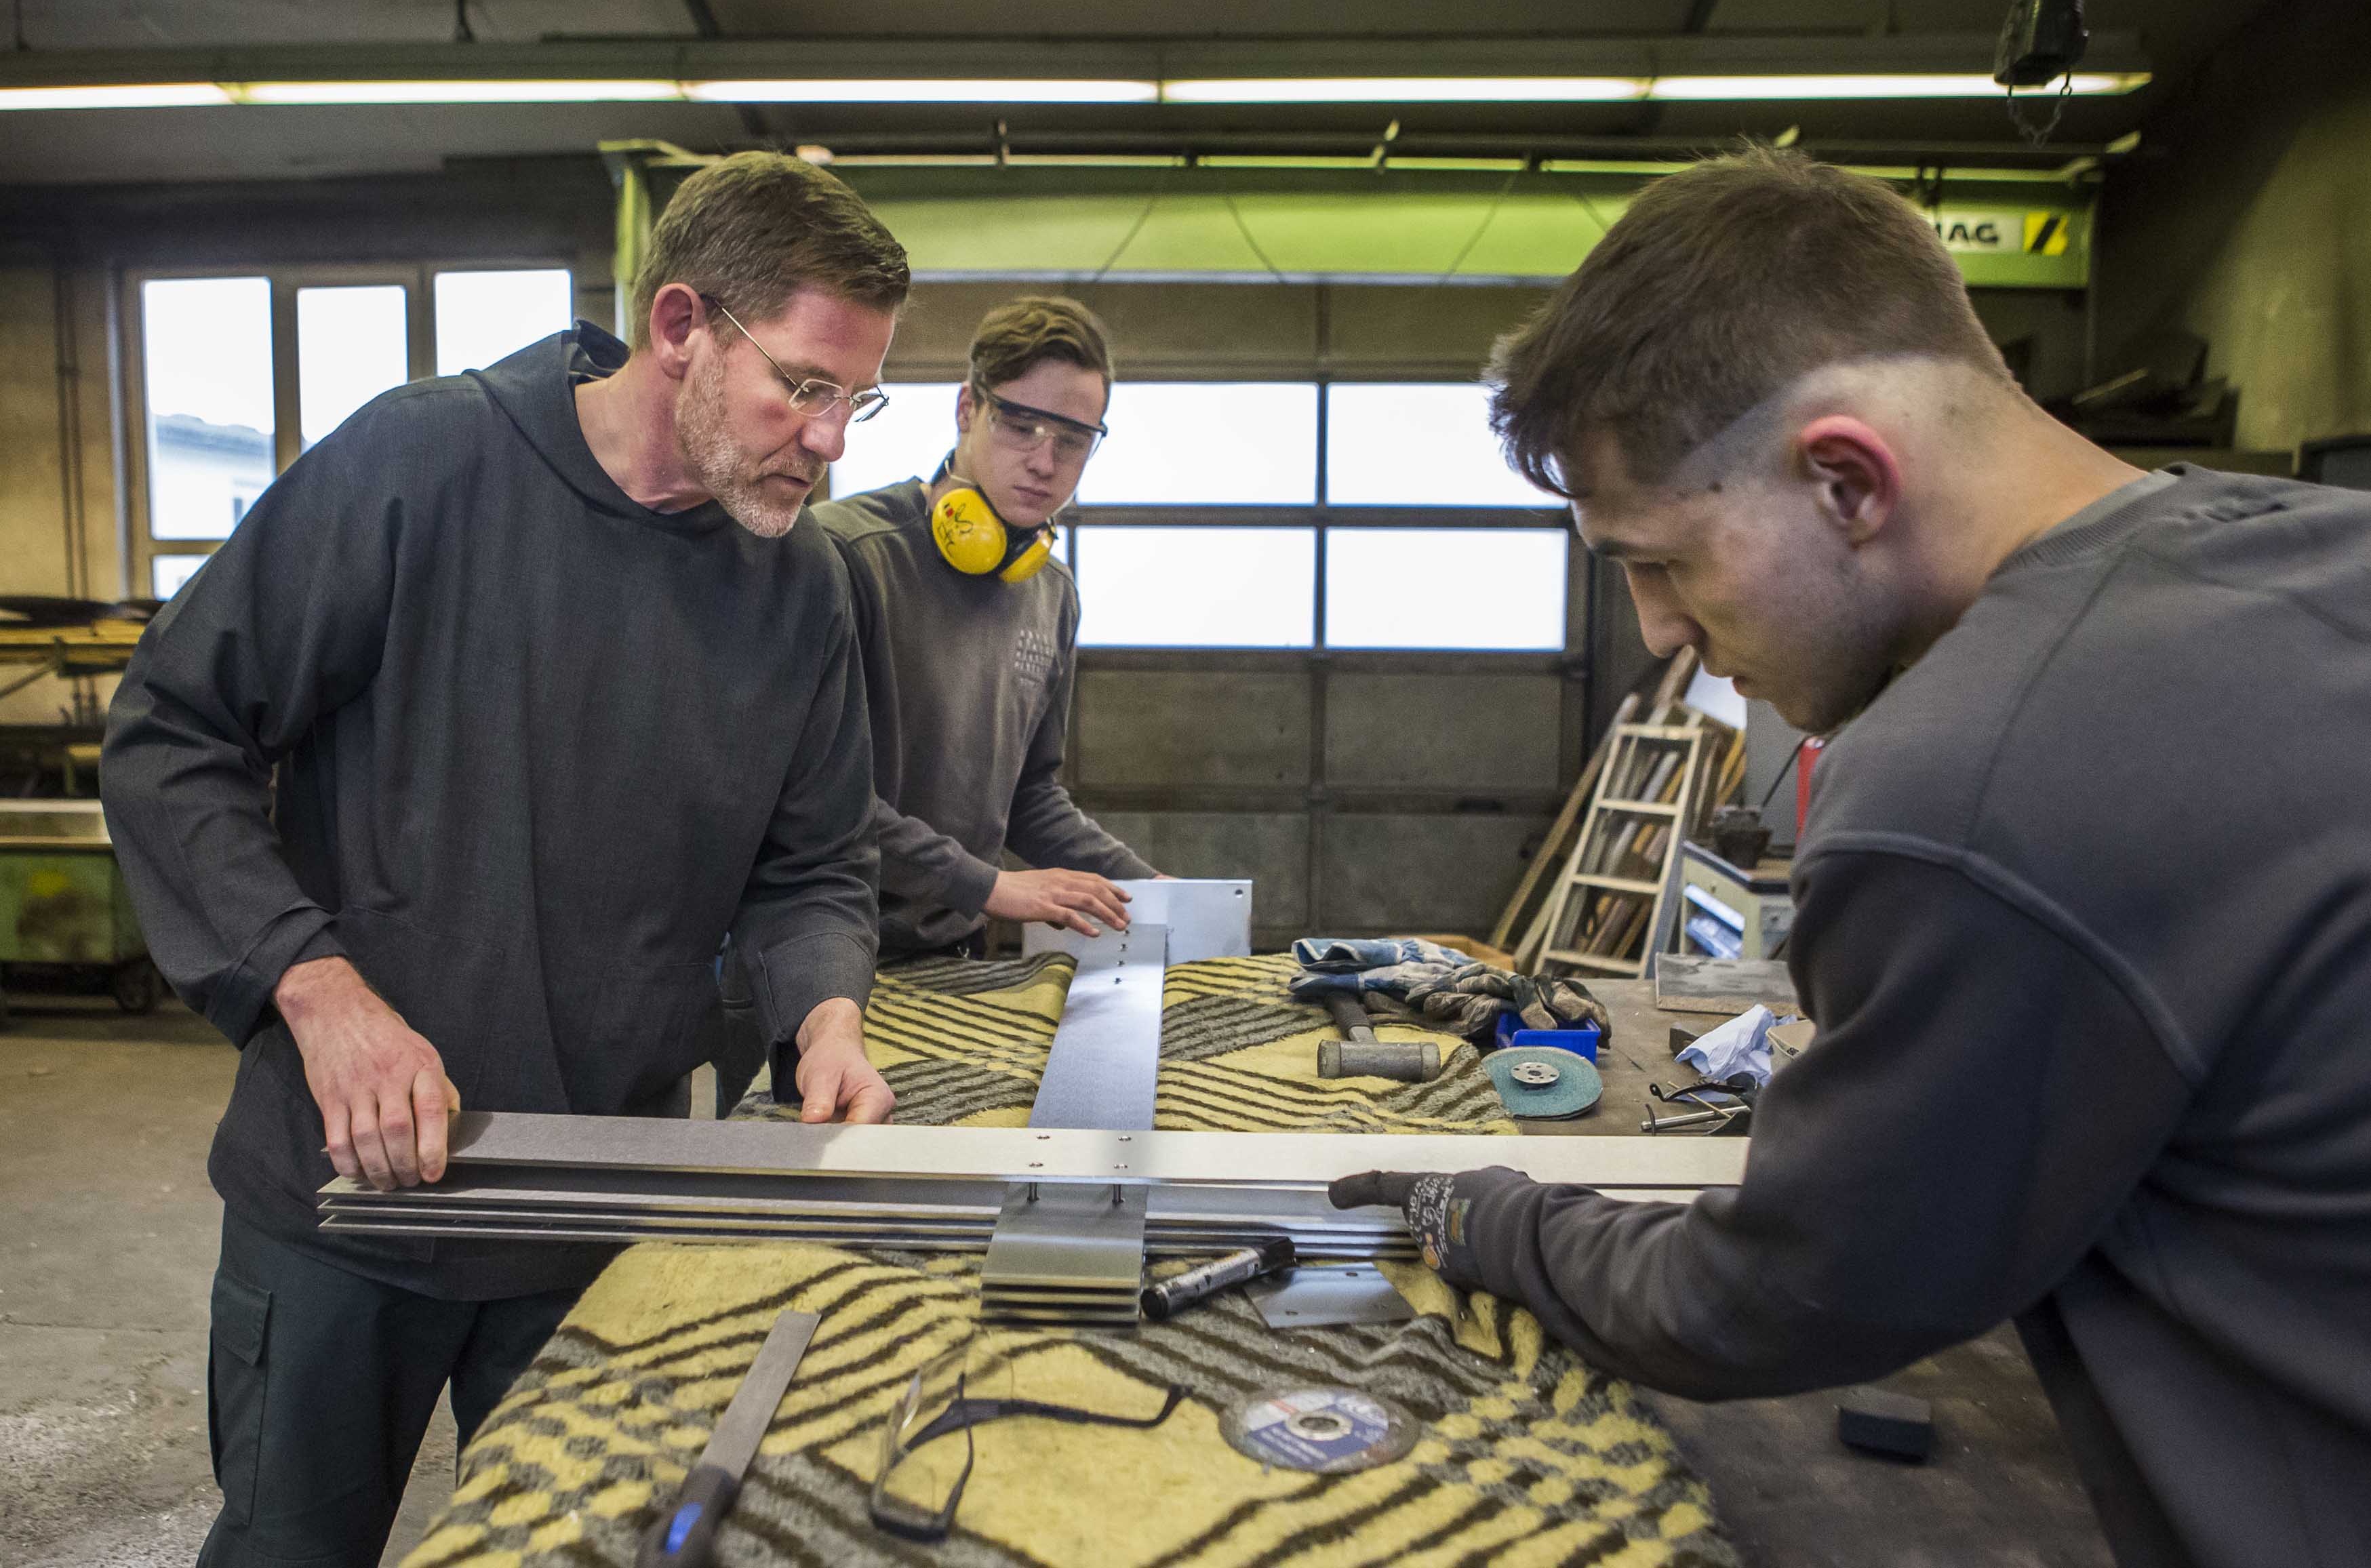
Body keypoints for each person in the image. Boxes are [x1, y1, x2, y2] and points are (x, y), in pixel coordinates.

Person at [1332, 146, 2371, 1568]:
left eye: (1659, 559)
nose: (1654, 631)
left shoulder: (1969, 781)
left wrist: (1489, 1213)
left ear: (1842, 478)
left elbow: (1765, 1296)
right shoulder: (2316, 550)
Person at [101, 152, 907, 1568]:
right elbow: (172, 736)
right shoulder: (422, 467)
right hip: (345, 1202)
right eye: (802, 384)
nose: (831, 442)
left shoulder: (801, 591)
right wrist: (315, 986)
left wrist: (821, 1008)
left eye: (860, 398)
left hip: (596, 1211)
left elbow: (811, 865)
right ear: (679, 329)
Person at [813, 296, 1159, 956]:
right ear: (967, 408)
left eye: (1073, 439)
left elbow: (1030, 797)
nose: (1044, 460)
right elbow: (817, 797)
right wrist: (992, 885)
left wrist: (1151, 887)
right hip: (827, 950)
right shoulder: (844, 554)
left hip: (956, 950)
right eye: (1021, 424)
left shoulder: (1050, 595)